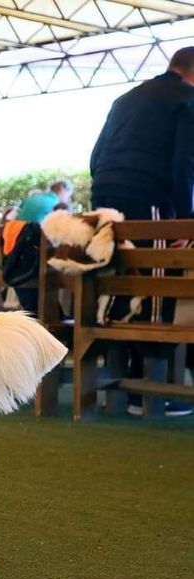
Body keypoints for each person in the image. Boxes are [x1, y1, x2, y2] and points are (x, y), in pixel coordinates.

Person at [90, 46, 194, 417]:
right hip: (147, 199)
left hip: (107, 202)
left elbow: (96, 155)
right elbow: (185, 162)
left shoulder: (125, 99)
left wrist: (101, 202)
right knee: (155, 288)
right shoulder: (187, 98)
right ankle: (148, 394)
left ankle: (118, 386)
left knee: (118, 283)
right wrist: (185, 219)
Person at [11, 180, 75, 314]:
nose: (68, 199)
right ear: (63, 190)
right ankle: (60, 317)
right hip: (37, 258)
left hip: (16, 259)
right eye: (69, 195)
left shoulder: (31, 198)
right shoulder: (56, 205)